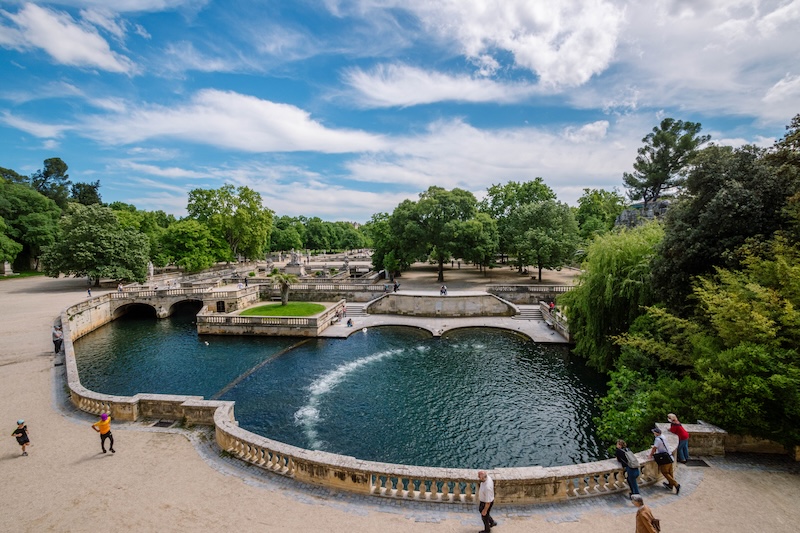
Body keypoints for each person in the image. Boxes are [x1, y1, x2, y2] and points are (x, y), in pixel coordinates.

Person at [649, 427, 679, 494]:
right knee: (670, 472)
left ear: (656, 433)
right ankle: (670, 485)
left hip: (665, 458)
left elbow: (654, 448)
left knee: (665, 472)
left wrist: (650, 455)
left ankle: (676, 484)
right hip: (669, 456)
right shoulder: (663, 437)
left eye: (654, 432)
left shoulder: (657, 439)